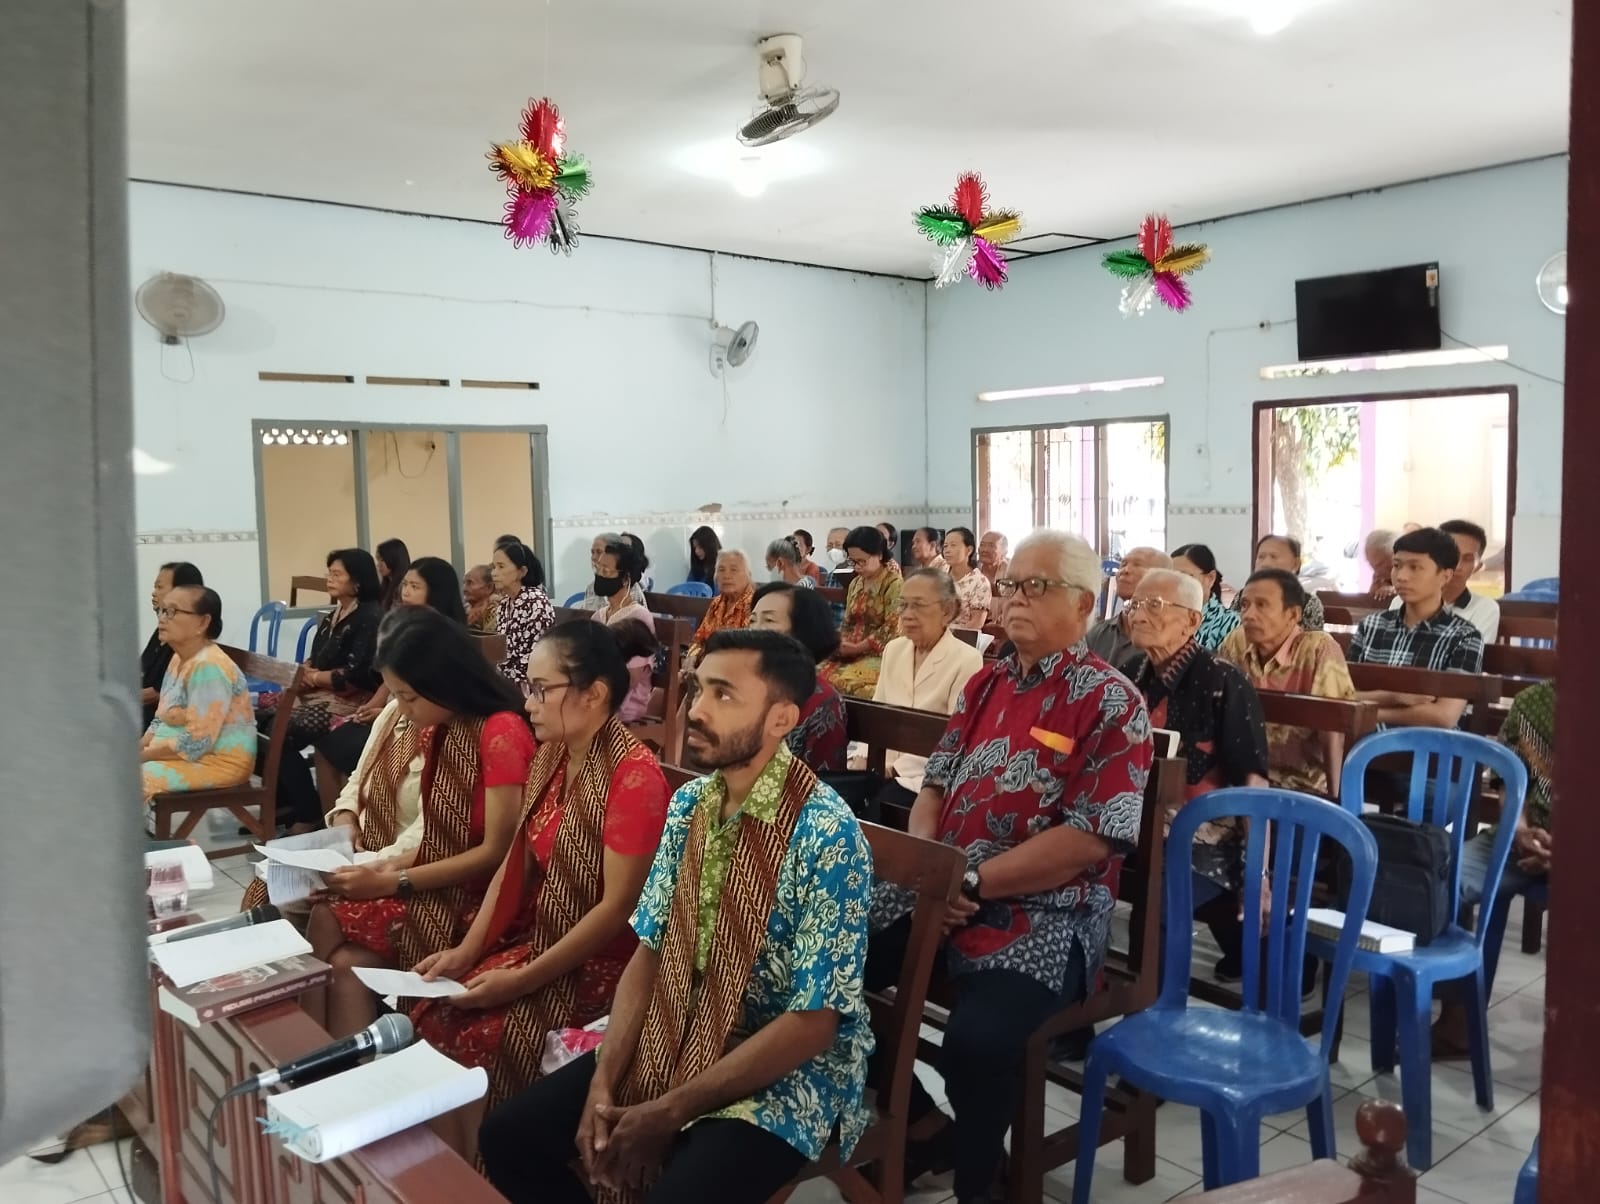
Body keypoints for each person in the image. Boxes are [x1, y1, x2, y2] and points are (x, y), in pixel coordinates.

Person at [479, 629, 874, 1204]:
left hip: (784, 1069)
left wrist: (666, 1112)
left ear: (781, 719)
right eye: (697, 689)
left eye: (724, 695)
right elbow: (651, 948)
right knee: (509, 1136)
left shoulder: (825, 833)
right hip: (679, 1022)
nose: (696, 710)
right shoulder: (692, 803)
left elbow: (813, 1022)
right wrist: (604, 1083)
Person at [868, 530, 1152, 1203]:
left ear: (1084, 604)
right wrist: (938, 869)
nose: (1015, 598)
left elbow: (1090, 839)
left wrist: (972, 882)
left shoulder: (1113, 703)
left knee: (977, 1040)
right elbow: (932, 786)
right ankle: (926, 1127)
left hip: (1048, 908)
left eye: (1036, 585)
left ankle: (980, 1183)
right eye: (1011, 585)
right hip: (947, 885)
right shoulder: (986, 679)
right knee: (818, 969)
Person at [411, 622, 671, 1157]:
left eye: (540, 688)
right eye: (526, 685)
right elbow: (516, 862)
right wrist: (468, 950)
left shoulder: (633, 777)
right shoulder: (553, 755)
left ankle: (485, 1176)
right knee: (434, 1012)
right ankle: (453, 1178)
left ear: (594, 693)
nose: (527, 701)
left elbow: (619, 907)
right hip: (546, 937)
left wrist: (523, 979)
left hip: (606, 966)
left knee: (484, 1035)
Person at [305, 608, 535, 1037]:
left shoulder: (501, 733)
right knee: (343, 963)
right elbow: (438, 835)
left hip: (479, 900)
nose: (403, 710)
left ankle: (313, 1058)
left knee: (327, 918)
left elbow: (497, 854)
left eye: (409, 697)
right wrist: (388, 867)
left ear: (442, 682)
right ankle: (331, 1072)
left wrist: (396, 880)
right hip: (440, 875)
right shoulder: (442, 726)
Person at [1126, 569, 1270, 983]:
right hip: (1139, 826)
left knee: (1158, 900)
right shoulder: (1134, 671)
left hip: (1205, 839)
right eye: (1135, 604)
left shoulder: (1223, 681)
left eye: (1154, 606)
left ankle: (1154, 1016)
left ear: (1192, 620)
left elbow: (1253, 785)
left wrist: (1258, 873)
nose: (1138, 615)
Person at [1433, 680, 1555, 1057]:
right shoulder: (1533, 701)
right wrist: (1518, 830)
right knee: (1442, 879)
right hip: (1525, 836)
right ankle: (1459, 1021)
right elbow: (1508, 778)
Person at [264, 548, 385, 831]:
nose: (329, 579)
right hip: (323, 692)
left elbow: (355, 675)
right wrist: (306, 672)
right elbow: (317, 657)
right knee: (263, 719)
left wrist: (314, 677)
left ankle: (309, 811)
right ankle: (290, 803)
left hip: (351, 700)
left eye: (336, 574)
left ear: (356, 581)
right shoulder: (336, 613)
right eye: (328, 572)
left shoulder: (370, 617)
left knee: (285, 728)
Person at [1218, 569, 1356, 798]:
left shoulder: (1318, 648)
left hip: (1301, 785)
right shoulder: (1237, 640)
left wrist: (1336, 800)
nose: (1248, 614)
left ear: (1293, 615)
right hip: (1243, 778)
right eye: (1245, 604)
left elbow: (1333, 730)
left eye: (1262, 605)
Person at [870, 570, 984, 815]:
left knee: (881, 803)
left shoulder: (967, 659)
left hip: (927, 774)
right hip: (880, 762)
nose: (908, 615)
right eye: (903, 605)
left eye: (919, 606)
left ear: (947, 610)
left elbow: (955, 739)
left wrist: (895, 768)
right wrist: (862, 758)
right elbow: (877, 712)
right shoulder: (894, 649)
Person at [1347, 526, 1485, 727]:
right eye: (1397, 565)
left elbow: (1444, 717)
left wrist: (1370, 712)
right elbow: (1343, 693)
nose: (1401, 576)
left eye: (1415, 567)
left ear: (1445, 576)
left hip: (1426, 751)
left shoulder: (1465, 637)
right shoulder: (1371, 626)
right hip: (1363, 748)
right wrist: (1393, 697)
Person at [140, 586, 257, 805]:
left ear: (202, 623)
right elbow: (160, 717)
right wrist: (139, 747)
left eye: (172, 612)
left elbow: (197, 742)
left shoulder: (209, 666)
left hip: (217, 762)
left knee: (126, 779)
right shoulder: (178, 658)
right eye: (162, 611)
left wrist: (145, 755)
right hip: (189, 756)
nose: (162, 619)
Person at [748, 583, 848, 773]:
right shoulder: (744, 686)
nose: (754, 630)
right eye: (752, 620)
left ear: (801, 631)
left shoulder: (823, 702)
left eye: (769, 620)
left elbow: (818, 786)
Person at [818, 526, 903, 698]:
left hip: (880, 654)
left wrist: (858, 647)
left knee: (849, 684)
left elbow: (892, 629)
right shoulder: (856, 584)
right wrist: (841, 643)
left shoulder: (893, 583)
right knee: (813, 674)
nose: (856, 567)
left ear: (879, 555)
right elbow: (848, 622)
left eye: (861, 561)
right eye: (852, 562)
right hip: (850, 650)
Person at [1386, 519, 1500, 645]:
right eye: (1451, 556)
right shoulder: (1401, 601)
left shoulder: (1484, 608)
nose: (1457, 566)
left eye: (1467, 559)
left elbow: (1470, 654)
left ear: (1477, 567)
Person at [1085, 546, 1170, 673]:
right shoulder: (1097, 633)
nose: (1125, 570)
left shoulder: (1168, 635)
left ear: (1163, 577)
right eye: (1123, 564)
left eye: (1137, 565)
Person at [140, 561, 203, 726]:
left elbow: (159, 694)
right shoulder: (163, 630)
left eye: (160, 587)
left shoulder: (186, 639)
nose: (154, 593)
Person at [492, 541, 556, 684]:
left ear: (522, 572)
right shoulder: (504, 603)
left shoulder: (536, 602)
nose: (494, 573)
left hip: (531, 682)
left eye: (501, 567)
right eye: (493, 567)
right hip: (507, 680)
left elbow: (536, 655)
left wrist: (501, 681)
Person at [1232, 535, 1326, 631]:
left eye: (1274, 556)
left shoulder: (1308, 604)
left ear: (1295, 564)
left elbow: (1312, 643)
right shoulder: (1242, 597)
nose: (1265, 563)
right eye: (1261, 557)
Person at [687, 550, 755, 662]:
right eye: (721, 570)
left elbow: (747, 653)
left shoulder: (753, 605)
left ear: (748, 575)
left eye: (734, 570)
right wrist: (691, 657)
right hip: (706, 666)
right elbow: (698, 639)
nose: (726, 576)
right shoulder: (717, 603)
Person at [1171, 543, 1241, 651]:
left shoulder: (1231, 623)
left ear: (1210, 578)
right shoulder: (1165, 619)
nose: (1178, 585)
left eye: (1185, 577)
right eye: (1172, 577)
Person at [592, 540, 657, 633]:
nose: (600, 575)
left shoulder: (639, 617)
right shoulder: (598, 617)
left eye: (606, 571)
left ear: (625, 579)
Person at [582, 534, 648, 611]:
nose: (594, 558)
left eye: (599, 552)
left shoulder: (631, 588)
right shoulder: (592, 587)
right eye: (593, 552)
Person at [943, 527, 993, 629]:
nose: (947, 550)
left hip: (962, 639)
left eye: (953, 545)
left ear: (969, 550)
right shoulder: (940, 576)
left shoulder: (979, 582)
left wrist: (947, 638)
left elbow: (976, 623)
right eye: (945, 546)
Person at [464, 564, 501, 633]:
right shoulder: (465, 610)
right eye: (464, 583)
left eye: (470, 583)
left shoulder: (498, 612)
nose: (464, 589)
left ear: (489, 587)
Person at [376, 538, 411, 611]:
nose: (378, 564)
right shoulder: (386, 583)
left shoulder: (404, 586)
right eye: (378, 559)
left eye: (382, 560)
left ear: (394, 559)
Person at [1364, 528, 1397, 602]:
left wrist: (1396, 591)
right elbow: (1371, 601)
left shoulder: (1410, 571)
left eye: (1380, 564)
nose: (1376, 571)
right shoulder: (1378, 575)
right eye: (1371, 564)